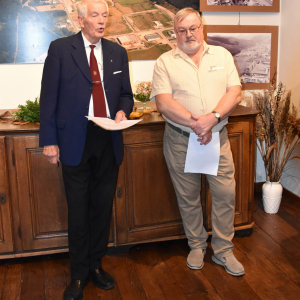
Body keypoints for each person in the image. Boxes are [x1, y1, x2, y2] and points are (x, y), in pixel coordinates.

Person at [39, 0, 133, 299]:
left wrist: (122, 112)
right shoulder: (60, 49)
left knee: (102, 207)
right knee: (78, 210)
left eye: (105, 15)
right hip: (73, 141)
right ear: (81, 20)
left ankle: (95, 265)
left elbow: (126, 96)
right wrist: (49, 140)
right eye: (95, 15)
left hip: (108, 139)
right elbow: (48, 97)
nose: (102, 20)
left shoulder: (118, 52)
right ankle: (78, 274)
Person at [150, 7, 245, 277]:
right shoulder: (165, 62)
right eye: (182, 30)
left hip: (218, 138)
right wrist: (197, 123)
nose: (189, 34)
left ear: (202, 28)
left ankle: (224, 250)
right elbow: (164, 102)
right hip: (181, 140)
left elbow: (234, 92)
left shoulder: (223, 56)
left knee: (225, 195)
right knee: (188, 197)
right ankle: (196, 245)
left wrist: (212, 119)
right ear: (175, 33)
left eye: (193, 28)